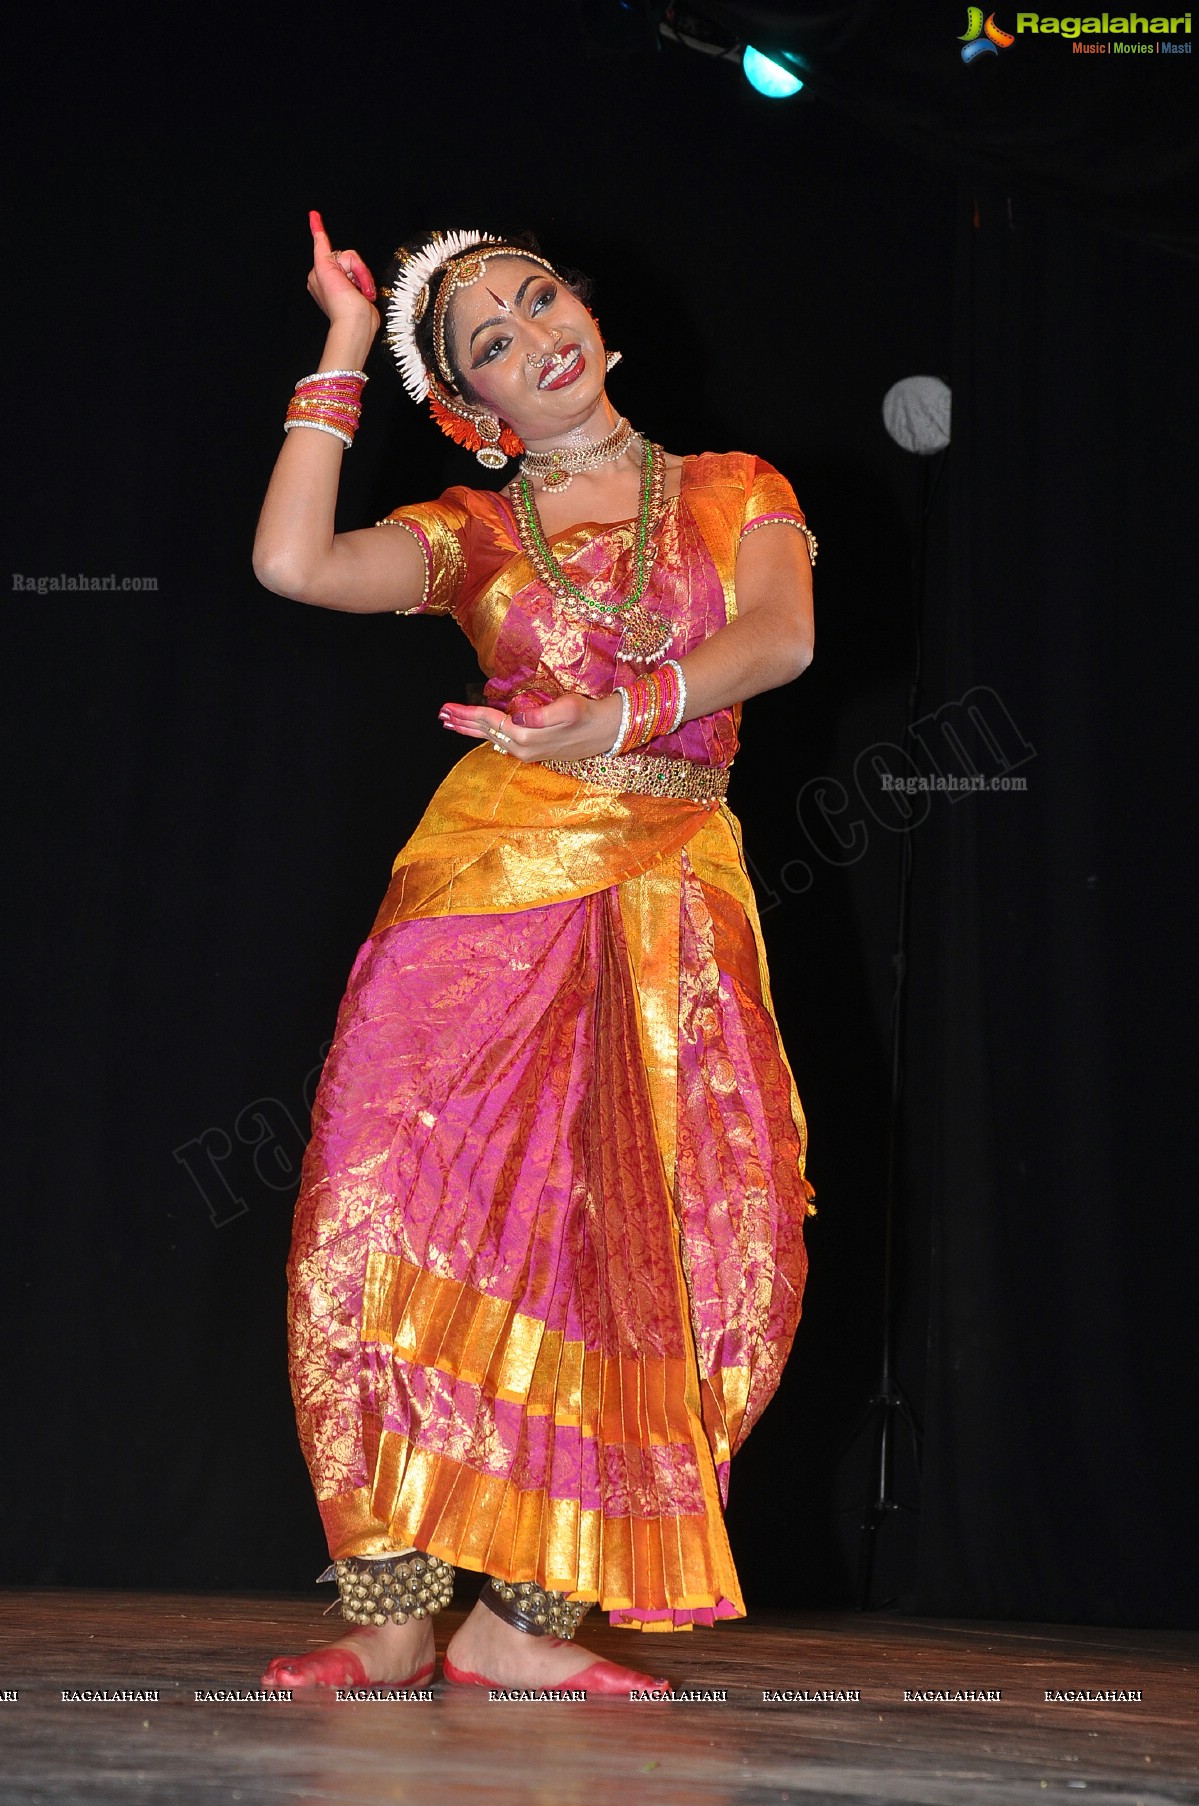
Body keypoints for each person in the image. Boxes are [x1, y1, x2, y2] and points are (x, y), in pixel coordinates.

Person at [252, 212, 818, 1698]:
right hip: (477, 897)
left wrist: (617, 718)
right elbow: (295, 562)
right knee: (386, 1213)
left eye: (540, 298)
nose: (532, 336)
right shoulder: (470, 533)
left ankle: (530, 1623)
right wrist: (337, 345)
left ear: (596, 317)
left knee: (684, 1245)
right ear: (472, 410)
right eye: (487, 342)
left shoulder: (735, 488)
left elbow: (777, 642)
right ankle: (388, 1605)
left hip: (670, 894)